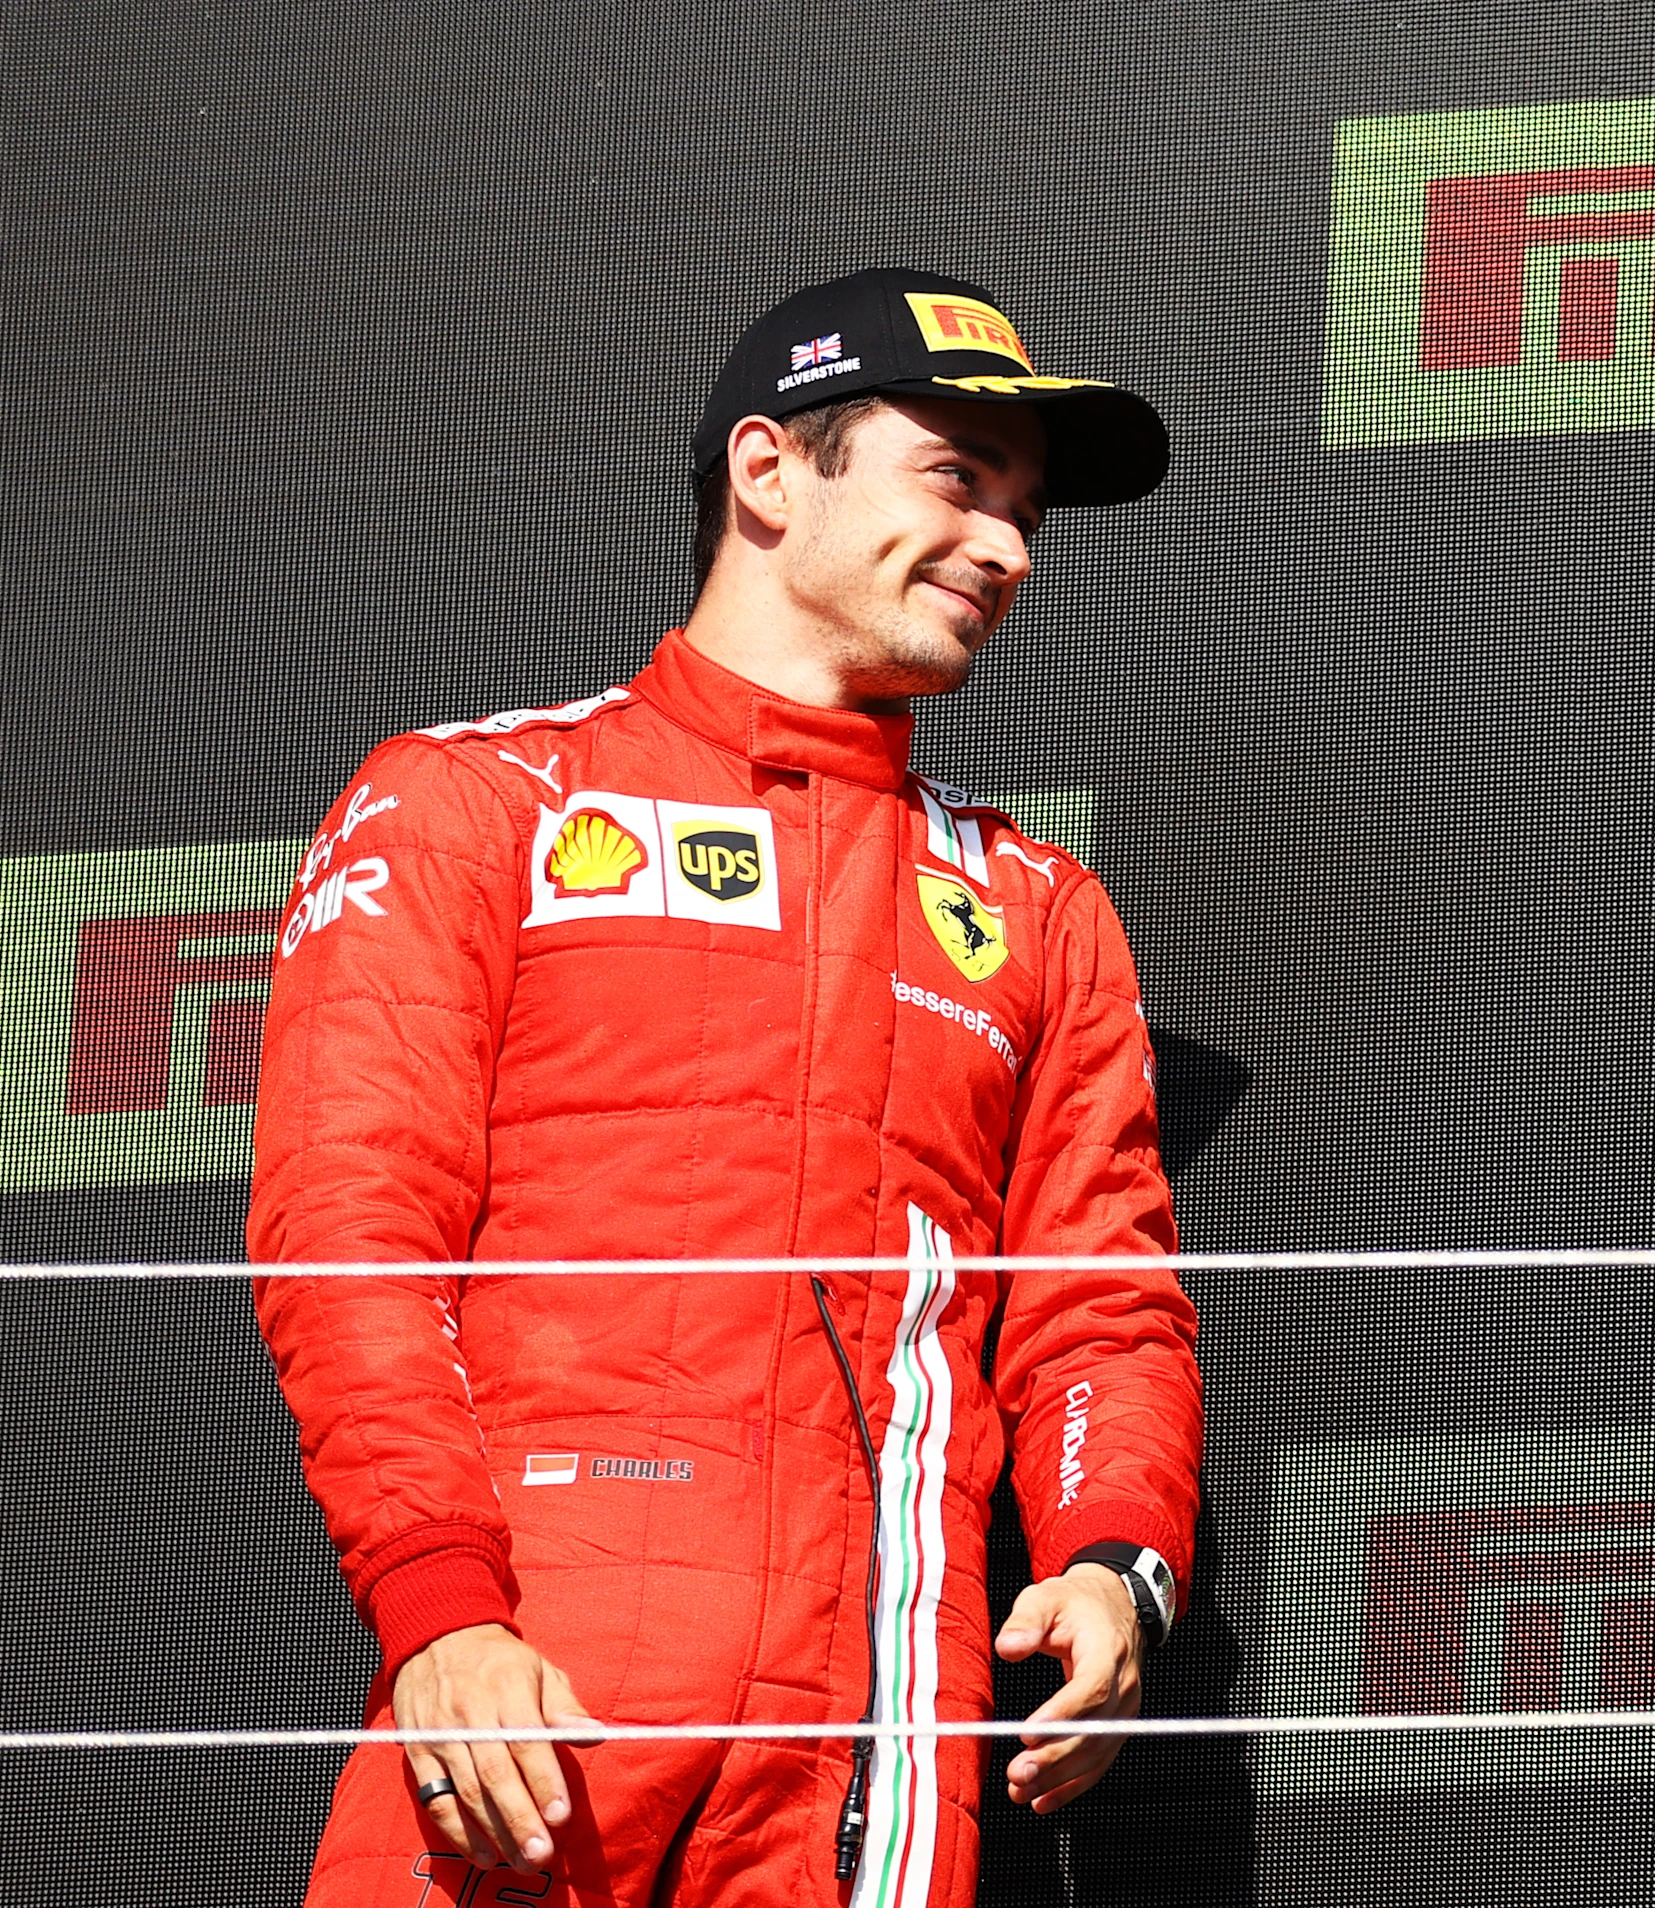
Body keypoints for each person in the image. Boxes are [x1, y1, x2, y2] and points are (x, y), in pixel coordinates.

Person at [252, 266, 1201, 1907]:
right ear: (770, 473)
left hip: (888, 1724)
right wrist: (444, 1611)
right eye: (957, 481)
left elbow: (1098, 1304)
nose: (1009, 548)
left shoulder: (1039, 906)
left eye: (1028, 511)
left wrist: (1118, 1563)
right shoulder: (483, 806)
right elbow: (349, 1236)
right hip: (531, 1696)